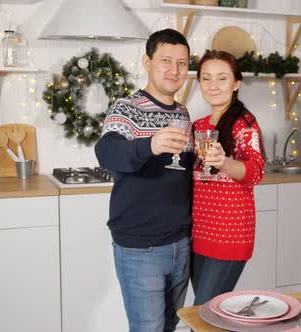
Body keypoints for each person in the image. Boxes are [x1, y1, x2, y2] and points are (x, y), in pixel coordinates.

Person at [94, 28, 193, 332]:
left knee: (169, 325)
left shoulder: (183, 113)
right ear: (147, 62)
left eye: (181, 63)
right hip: (141, 248)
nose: (174, 70)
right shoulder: (127, 108)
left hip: (180, 244)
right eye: (166, 60)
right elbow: (107, 153)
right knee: (148, 328)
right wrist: (150, 145)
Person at [191, 50, 266, 305]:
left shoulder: (244, 124)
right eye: (206, 78)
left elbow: (255, 172)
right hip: (199, 232)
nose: (213, 86)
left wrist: (224, 162)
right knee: (205, 316)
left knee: (203, 314)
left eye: (222, 78)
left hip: (230, 234)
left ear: (236, 83)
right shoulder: (198, 126)